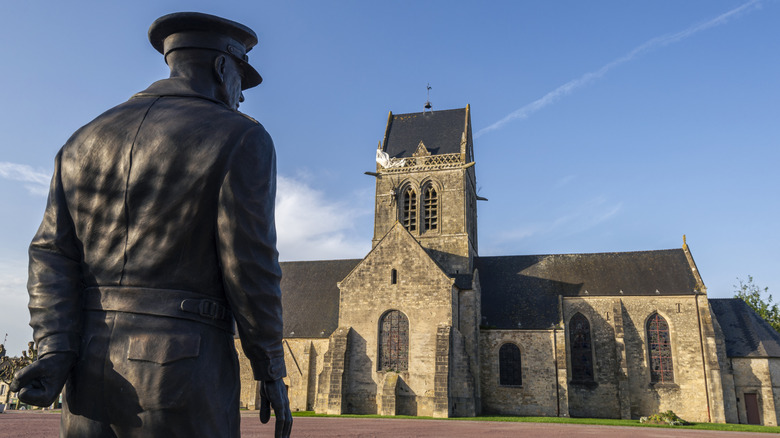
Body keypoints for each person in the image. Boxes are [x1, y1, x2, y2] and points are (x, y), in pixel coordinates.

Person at [10, 12, 292, 438]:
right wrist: (270, 367)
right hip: (181, 376)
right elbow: (250, 267)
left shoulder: (83, 139)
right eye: (241, 78)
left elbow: (50, 255)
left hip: (87, 375)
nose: (242, 96)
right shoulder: (239, 137)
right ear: (221, 68)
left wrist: (55, 347)